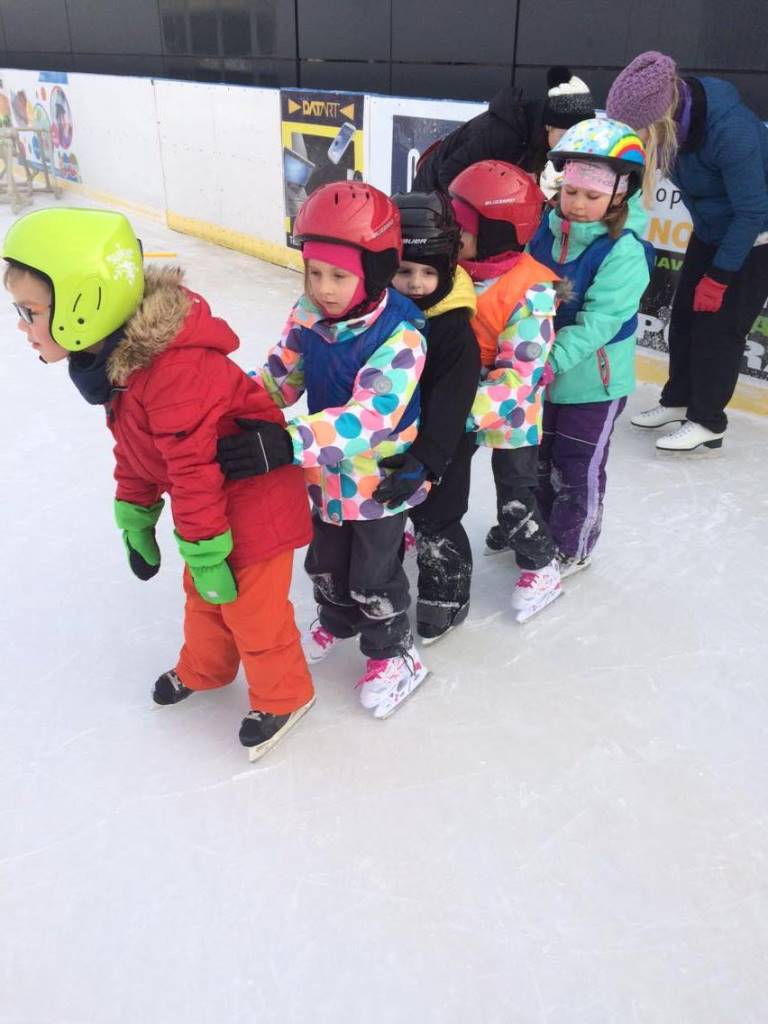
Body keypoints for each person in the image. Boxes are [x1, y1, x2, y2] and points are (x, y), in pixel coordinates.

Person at [3, 207, 315, 761]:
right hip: (214, 505)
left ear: (82, 303)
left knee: (252, 611)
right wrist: (137, 515)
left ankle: (285, 694)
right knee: (204, 596)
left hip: (256, 501)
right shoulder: (118, 360)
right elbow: (137, 448)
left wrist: (205, 549)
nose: (22, 328)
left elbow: (193, 471)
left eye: (30, 312)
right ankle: (207, 668)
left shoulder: (175, 371)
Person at [216, 182, 431, 719]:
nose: (324, 288)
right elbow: (280, 378)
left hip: (379, 480)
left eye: (339, 276)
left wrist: (286, 442)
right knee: (325, 562)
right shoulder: (307, 314)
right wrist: (223, 403)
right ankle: (337, 621)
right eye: (314, 272)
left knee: (373, 575)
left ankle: (394, 654)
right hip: (323, 476)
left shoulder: (401, 337)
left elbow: (368, 419)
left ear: (375, 273)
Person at [607, 50, 768, 453]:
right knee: (682, 319)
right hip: (711, 229)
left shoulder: (730, 131)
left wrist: (721, 276)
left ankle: (707, 421)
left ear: (658, 119)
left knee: (720, 329)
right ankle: (678, 400)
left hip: (756, 235)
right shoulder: (674, 128)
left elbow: (752, 211)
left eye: (638, 131)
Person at [528, 119, 654, 575]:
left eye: (592, 196)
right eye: (571, 191)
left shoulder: (624, 251)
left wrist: (549, 360)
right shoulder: (545, 231)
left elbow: (599, 322)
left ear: (620, 194)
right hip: (542, 376)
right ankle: (536, 529)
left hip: (593, 385)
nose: (578, 205)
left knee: (576, 466)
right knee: (537, 460)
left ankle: (572, 544)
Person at [448, 160, 562, 622]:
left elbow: (519, 376)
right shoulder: (452, 269)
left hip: (510, 404)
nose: (453, 234)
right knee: (438, 472)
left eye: (463, 226)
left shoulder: (532, 290)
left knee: (515, 494)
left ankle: (541, 564)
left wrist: (458, 411)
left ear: (498, 232)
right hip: (457, 392)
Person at [380, 191, 480, 644]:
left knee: (438, 516)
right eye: (404, 272)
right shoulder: (380, 316)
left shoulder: (453, 327)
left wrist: (428, 457)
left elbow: (452, 401)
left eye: (428, 273)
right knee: (396, 504)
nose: (417, 284)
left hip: (444, 443)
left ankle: (447, 593)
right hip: (392, 436)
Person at [412, 68, 594, 196]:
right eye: (566, 137)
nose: (569, 146)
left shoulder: (540, 138)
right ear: (549, 125)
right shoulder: (501, 132)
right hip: (431, 192)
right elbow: (448, 174)